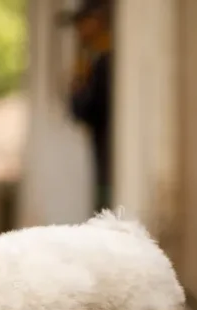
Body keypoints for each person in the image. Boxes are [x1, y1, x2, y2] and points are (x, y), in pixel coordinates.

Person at [59, 0, 112, 214]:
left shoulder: (104, 59)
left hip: (109, 147)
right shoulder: (93, 57)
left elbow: (87, 109)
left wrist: (78, 88)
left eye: (83, 22)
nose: (79, 31)